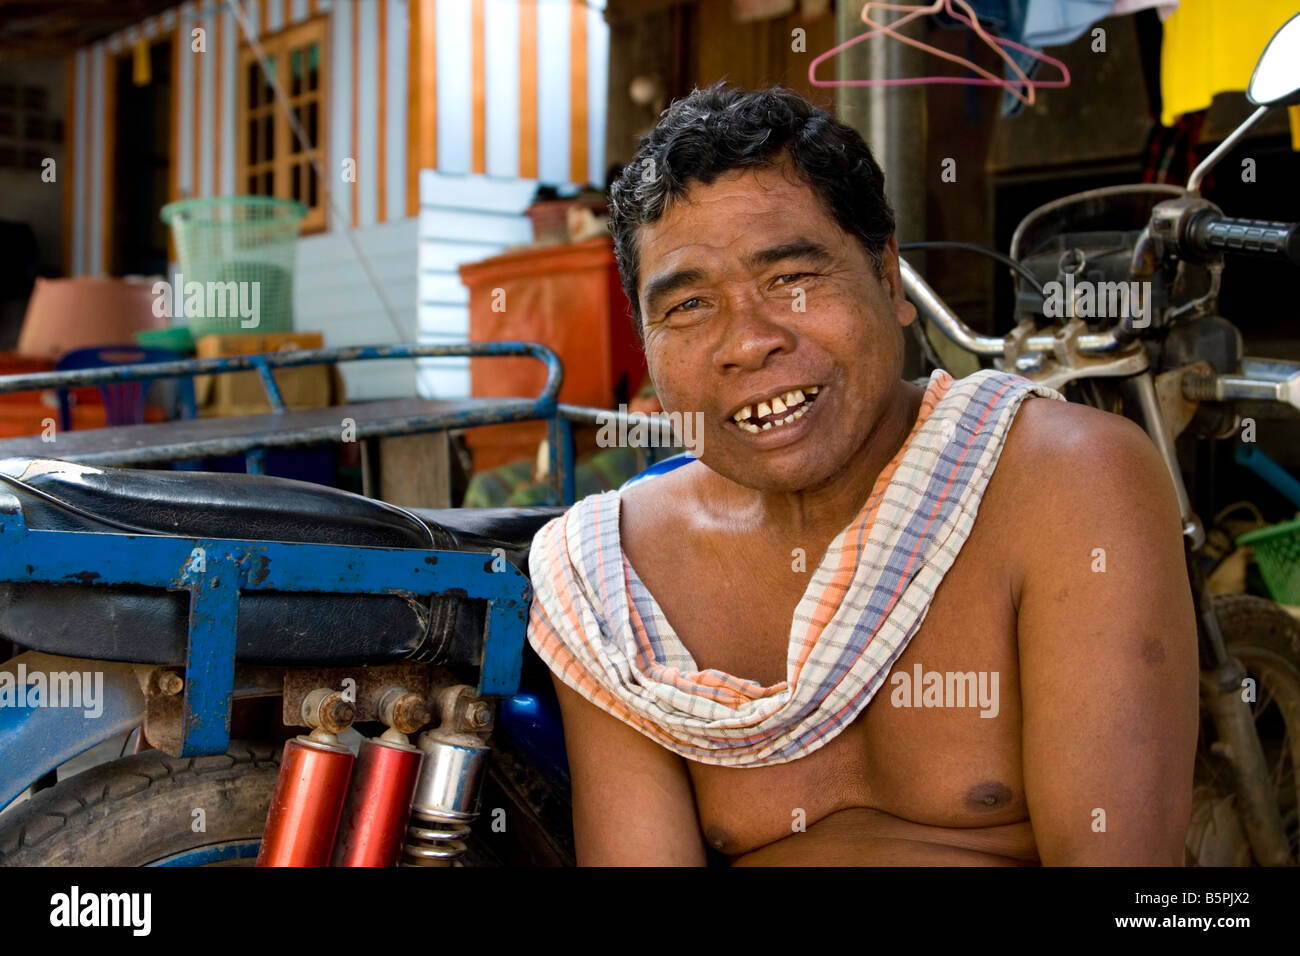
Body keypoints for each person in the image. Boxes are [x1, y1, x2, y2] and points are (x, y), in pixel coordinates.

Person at [526, 83, 1197, 866]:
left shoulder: (1070, 483)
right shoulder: (609, 579)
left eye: (791, 280)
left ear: (887, 279)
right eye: (689, 306)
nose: (748, 342)